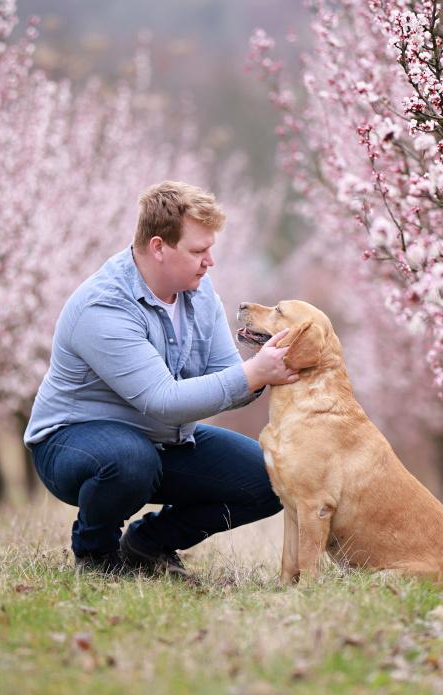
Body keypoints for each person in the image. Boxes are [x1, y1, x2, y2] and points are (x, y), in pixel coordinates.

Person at [24, 180, 298, 576]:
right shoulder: (103, 306)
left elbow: (228, 377)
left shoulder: (199, 293)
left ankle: (148, 544)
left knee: (271, 477)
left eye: (210, 250)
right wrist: (253, 373)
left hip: (163, 441)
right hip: (72, 442)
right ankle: (96, 554)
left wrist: (267, 369)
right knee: (129, 458)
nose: (210, 262)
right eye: (198, 251)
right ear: (158, 247)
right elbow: (162, 401)